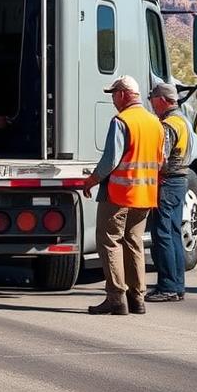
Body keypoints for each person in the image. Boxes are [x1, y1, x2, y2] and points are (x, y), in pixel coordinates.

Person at [81, 75, 165, 315]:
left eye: (113, 95)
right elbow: (162, 161)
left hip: (119, 195)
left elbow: (110, 161)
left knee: (109, 241)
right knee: (134, 243)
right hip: (145, 195)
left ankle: (116, 298)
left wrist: (91, 181)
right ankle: (137, 298)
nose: (113, 100)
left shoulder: (122, 121)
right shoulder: (155, 123)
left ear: (122, 94)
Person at [145, 83, 191, 303]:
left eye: (152, 99)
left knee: (162, 235)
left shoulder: (168, 125)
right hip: (180, 182)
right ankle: (177, 286)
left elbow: (160, 158)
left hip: (168, 182)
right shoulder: (183, 121)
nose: (151, 104)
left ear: (162, 99)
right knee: (173, 235)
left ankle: (167, 287)